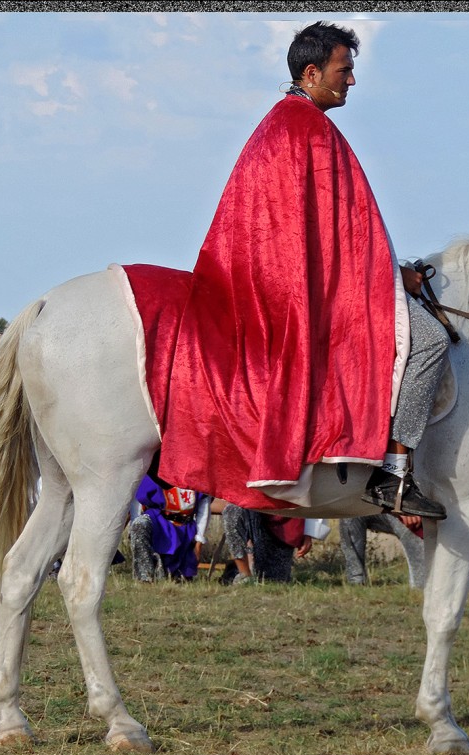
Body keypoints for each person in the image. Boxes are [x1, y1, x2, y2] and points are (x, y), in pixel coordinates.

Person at [158, 21, 449, 520]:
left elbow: (332, 234)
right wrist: (393, 275)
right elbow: (345, 235)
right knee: (429, 341)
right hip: (306, 294)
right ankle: (394, 474)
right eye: (345, 70)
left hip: (278, 285)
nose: (351, 80)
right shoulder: (312, 131)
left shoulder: (277, 124)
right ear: (312, 72)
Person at [129, 472, 211, 582]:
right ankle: (145, 578)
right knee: (140, 525)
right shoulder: (157, 468)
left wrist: (199, 540)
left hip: (184, 529)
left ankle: (169, 572)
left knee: (174, 578)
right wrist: (135, 524)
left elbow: (204, 508)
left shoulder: (198, 473)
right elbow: (137, 500)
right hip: (159, 522)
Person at [221, 503, 329, 584]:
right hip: (254, 511)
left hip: (285, 523)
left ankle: (244, 572)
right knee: (232, 510)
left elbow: (314, 488)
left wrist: (309, 532)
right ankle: (244, 574)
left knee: (273, 580)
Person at [339, 512, 427, 588]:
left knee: (421, 586)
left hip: (420, 511)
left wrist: (412, 509)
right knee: (350, 515)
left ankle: (421, 586)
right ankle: (356, 581)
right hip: (389, 508)